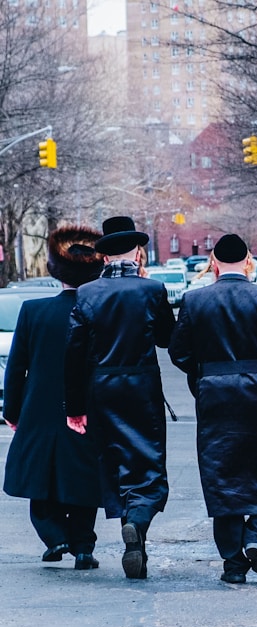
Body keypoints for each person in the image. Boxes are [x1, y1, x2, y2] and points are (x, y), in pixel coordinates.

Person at [169, 233, 257, 584]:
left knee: (221, 473)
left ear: (213, 263)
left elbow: (178, 352)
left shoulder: (194, 300)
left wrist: (202, 376)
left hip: (214, 395)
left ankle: (233, 562)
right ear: (249, 262)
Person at [64, 216, 176, 579]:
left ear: (105, 256)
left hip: (102, 389)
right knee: (148, 460)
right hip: (141, 386)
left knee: (113, 460)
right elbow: (165, 338)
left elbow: (74, 355)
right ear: (137, 251)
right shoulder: (152, 290)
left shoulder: (86, 294)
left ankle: (135, 538)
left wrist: (75, 407)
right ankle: (139, 521)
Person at [3, 226, 104, 570]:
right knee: (83, 477)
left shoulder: (33, 311)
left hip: (39, 407)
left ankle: (54, 536)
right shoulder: (99, 311)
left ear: (53, 270)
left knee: (39, 476)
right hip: (88, 407)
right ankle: (83, 546)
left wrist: (11, 410)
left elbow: (16, 369)